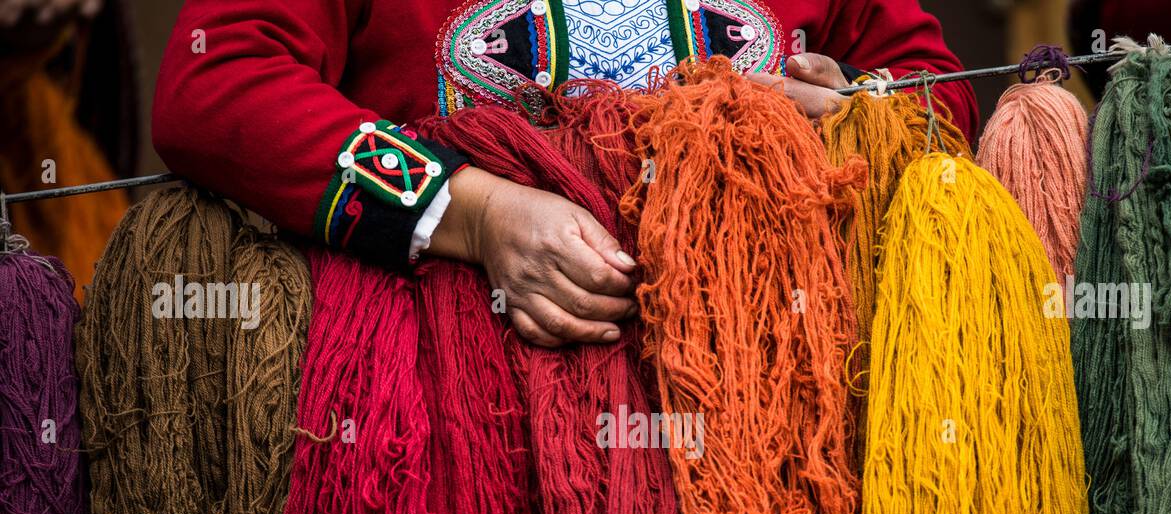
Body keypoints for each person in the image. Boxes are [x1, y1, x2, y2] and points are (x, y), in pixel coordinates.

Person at [153, 0, 976, 348]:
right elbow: (216, 78)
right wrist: (469, 212)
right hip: (461, 418)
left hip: (769, 399)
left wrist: (848, 115)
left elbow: (928, 82)